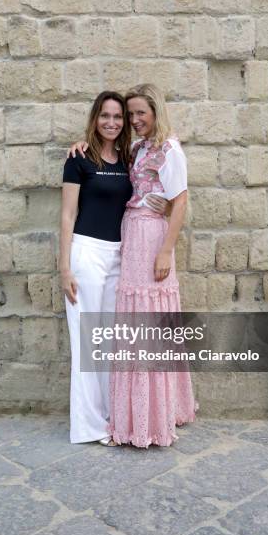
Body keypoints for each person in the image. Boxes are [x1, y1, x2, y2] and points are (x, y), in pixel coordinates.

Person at [69, 84, 197, 447]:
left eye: (142, 113)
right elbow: (122, 173)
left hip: (153, 241)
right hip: (132, 239)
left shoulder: (170, 147)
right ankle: (134, 412)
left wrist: (166, 251)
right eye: (132, 114)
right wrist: (80, 142)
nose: (136, 120)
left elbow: (181, 199)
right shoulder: (138, 148)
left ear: (156, 112)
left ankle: (153, 417)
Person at [60, 91, 167, 445]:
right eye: (105, 116)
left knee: (108, 343)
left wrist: (164, 207)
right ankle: (88, 427)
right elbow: (67, 214)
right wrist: (64, 267)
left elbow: (151, 187)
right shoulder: (79, 158)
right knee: (86, 342)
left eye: (118, 117)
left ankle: (111, 419)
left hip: (119, 255)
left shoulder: (128, 157)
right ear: (95, 118)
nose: (112, 122)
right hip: (86, 253)